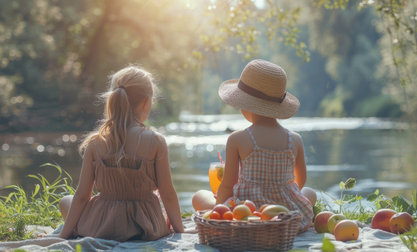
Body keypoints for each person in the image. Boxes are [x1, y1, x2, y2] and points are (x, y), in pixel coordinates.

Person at [59, 66, 184, 241]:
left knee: (67, 200)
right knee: (159, 204)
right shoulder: (156, 141)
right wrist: (180, 232)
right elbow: (168, 194)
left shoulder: (96, 142)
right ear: (146, 103)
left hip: (103, 226)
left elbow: (81, 196)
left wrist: (63, 236)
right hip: (146, 227)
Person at [193, 59, 316, 232]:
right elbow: (300, 181)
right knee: (310, 193)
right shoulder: (295, 140)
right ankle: (289, 216)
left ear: (244, 105)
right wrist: (281, 195)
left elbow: (228, 185)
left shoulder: (238, 139)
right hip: (283, 214)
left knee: (199, 197)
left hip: (247, 212)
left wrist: (219, 207)